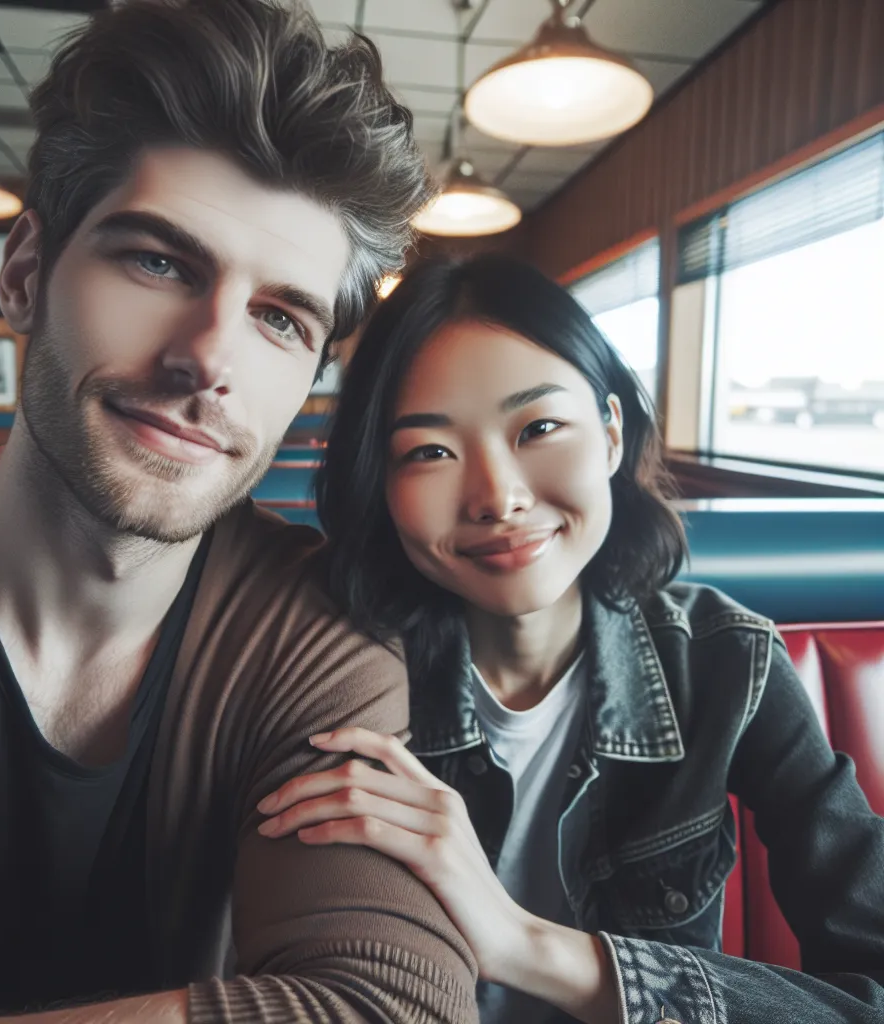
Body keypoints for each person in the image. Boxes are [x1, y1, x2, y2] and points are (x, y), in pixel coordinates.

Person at [0, 3, 480, 1022]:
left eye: (280, 317)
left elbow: (388, 1004)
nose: (209, 358)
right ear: (25, 274)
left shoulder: (314, 623)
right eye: (157, 262)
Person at [257, 255, 884, 1024]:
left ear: (612, 434)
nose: (499, 497)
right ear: (379, 486)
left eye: (540, 428)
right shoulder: (331, 663)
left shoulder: (725, 664)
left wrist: (522, 944)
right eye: (429, 452)